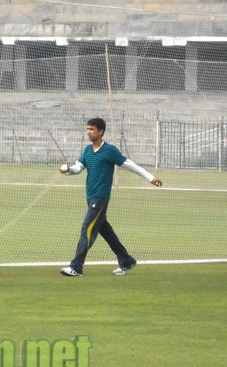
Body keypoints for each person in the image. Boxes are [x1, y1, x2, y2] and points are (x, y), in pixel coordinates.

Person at [59, 117, 162, 277]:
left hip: (100, 198)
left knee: (87, 229)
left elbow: (130, 165)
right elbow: (78, 168)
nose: (88, 132)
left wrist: (151, 178)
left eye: (92, 129)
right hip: (90, 197)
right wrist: (67, 169)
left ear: (101, 132)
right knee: (105, 230)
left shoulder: (110, 151)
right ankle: (126, 260)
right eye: (87, 129)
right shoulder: (87, 150)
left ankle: (76, 266)